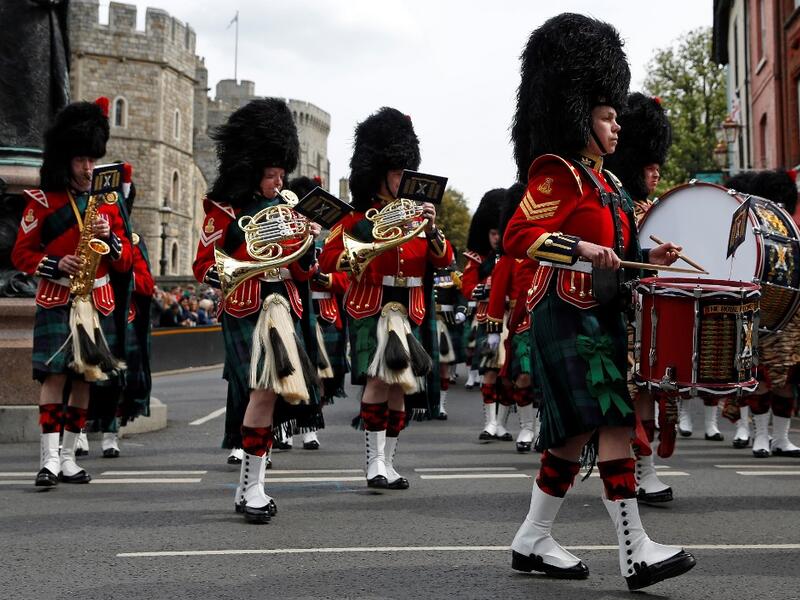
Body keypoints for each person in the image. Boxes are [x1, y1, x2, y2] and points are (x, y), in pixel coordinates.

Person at [503, 14, 694, 590]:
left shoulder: (608, 183)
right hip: (566, 312)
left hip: (602, 313)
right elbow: (518, 237)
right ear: (579, 116)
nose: (616, 128)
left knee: (572, 437)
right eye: (607, 117)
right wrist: (580, 247)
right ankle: (635, 552)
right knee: (612, 419)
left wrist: (651, 258)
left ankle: (532, 539)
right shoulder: (556, 175)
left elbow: (624, 251)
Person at [192, 98, 323, 523]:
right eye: (272, 174)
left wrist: (309, 243)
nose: (278, 181)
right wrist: (242, 265)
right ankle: (250, 488)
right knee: (258, 392)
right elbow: (202, 265)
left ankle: (253, 486)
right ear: (251, 170)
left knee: (267, 394)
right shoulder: (224, 212)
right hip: (247, 306)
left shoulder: (289, 211)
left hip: (283, 305)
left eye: (282, 173)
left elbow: (303, 272)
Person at [318, 107, 453, 489]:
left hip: (408, 305)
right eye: (397, 173)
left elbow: (443, 260)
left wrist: (432, 227)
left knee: (399, 387)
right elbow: (329, 258)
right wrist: (367, 237)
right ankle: (373, 463)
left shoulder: (416, 217)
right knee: (378, 380)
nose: (403, 180)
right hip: (372, 305)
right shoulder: (357, 219)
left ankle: (389, 462)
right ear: (381, 173)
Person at [12, 97, 132, 486]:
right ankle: (47, 458)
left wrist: (111, 238)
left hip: (95, 299)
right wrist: (54, 263)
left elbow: (125, 260)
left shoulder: (108, 205)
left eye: (92, 161)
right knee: (54, 376)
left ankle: (68, 457)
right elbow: (21, 253)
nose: (87, 168)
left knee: (84, 379)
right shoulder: (43, 202)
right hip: (59, 295)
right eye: (81, 160)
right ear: (66, 160)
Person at [604, 92, 675, 501]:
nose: (656, 174)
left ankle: (644, 470)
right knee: (630, 390)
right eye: (650, 167)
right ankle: (632, 471)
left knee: (649, 388)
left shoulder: (652, 207)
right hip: (624, 308)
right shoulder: (619, 205)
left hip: (653, 311)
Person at [724, 169, 800, 458]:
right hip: (755, 311)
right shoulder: (752, 236)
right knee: (759, 376)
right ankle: (760, 435)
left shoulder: (794, 234)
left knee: (788, 377)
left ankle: (780, 438)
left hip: (790, 314)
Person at [488, 183, 540, 452]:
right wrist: (494, 329)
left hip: (550, 316)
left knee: (548, 380)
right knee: (523, 376)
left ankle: (542, 429)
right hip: (521, 322)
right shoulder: (510, 259)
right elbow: (497, 295)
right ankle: (527, 427)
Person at [461, 191, 504, 438]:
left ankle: (503, 422)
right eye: (493, 233)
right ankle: (490, 422)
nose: (497, 238)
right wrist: (487, 287)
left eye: (499, 233)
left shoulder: (513, 258)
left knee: (511, 375)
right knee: (489, 370)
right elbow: (468, 288)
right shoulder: (477, 258)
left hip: (510, 317)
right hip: (487, 317)